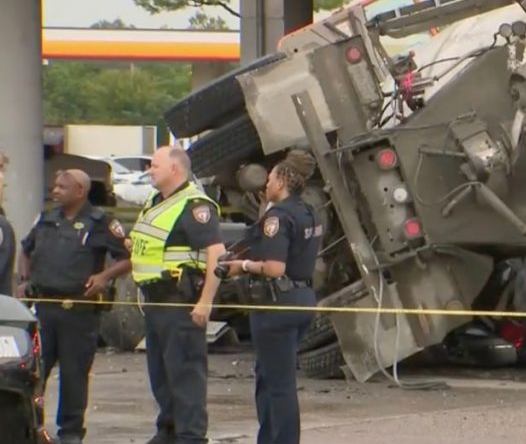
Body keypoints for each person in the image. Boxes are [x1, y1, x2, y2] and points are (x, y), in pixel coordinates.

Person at [14, 169, 131, 444]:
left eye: (61, 187)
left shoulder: (101, 222)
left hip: (77, 311)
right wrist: (24, 280)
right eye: (55, 186)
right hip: (44, 308)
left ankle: (71, 432)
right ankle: (34, 426)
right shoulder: (46, 219)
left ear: (80, 190)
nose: (55, 191)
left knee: (74, 375)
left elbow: (126, 257)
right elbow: (26, 250)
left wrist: (104, 277)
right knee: (35, 373)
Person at [222, 150, 322, 444]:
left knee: (278, 384)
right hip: (302, 297)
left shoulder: (278, 219)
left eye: (270, 179)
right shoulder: (308, 212)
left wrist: (242, 267)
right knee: (269, 377)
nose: (265, 184)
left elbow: (275, 267)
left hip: (276, 304)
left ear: (282, 181)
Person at [128, 146, 225, 444]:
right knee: (162, 376)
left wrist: (205, 302)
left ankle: (190, 437)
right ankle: (167, 432)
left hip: (180, 303)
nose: (149, 170)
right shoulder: (156, 202)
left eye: (154, 165)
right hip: (156, 303)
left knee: (185, 378)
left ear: (174, 169)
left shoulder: (194, 205)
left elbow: (216, 255)